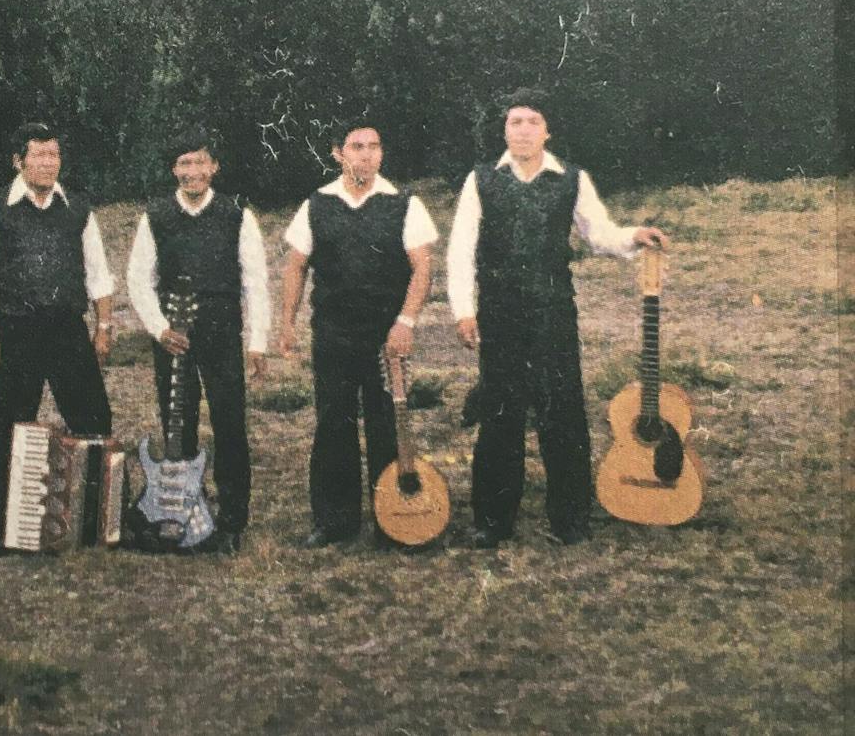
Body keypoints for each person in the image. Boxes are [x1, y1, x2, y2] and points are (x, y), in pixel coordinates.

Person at [446, 88, 667, 549]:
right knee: (500, 413)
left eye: (533, 121)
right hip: (499, 313)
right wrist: (464, 310)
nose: (524, 130)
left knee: (562, 412)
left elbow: (599, 233)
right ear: (504, 130)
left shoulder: (571, 178)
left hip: (553, 311)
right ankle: (493, 521)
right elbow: (461, 249)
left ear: (547, 131)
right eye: (515, 122)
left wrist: (635, 235)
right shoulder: (480, 180)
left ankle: (570, 518)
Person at [279, 119, 438, 547]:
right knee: (334, 423)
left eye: (374, 146)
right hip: (333, 333)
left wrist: (406, 322)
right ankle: (334, 522)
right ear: (338, 153)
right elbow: (295, 267)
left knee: (387, 424)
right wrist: (287, 324)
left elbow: (423, 267)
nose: (367, 155)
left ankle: (392, 521)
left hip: (387, 337)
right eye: (356, 146)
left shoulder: (404, 203)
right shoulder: (317, 204)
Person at [0, 121, 116, 557]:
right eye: (39, 155)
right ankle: (6, 529)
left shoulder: (78, 209)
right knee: (11, 428)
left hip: (68, 330)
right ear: (19, 161)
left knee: (95, 420)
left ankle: (97, 521)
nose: (48, 163)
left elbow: (99, 273)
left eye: (54, 155)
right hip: (17, 331)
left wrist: (103, 327)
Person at [126, 127, 270, 554]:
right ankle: (183, 510)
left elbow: (255, 281)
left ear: (214, 167)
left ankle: (232, 520)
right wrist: (159, 328)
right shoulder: (156, 216)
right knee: (179, 424)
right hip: (173, 336)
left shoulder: (237, 215)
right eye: (184, 163)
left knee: (229, 424)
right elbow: (139, 279)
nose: (192, 171)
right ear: (174, 170)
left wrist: (257, 341)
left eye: (200, 162)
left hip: (222, 330)